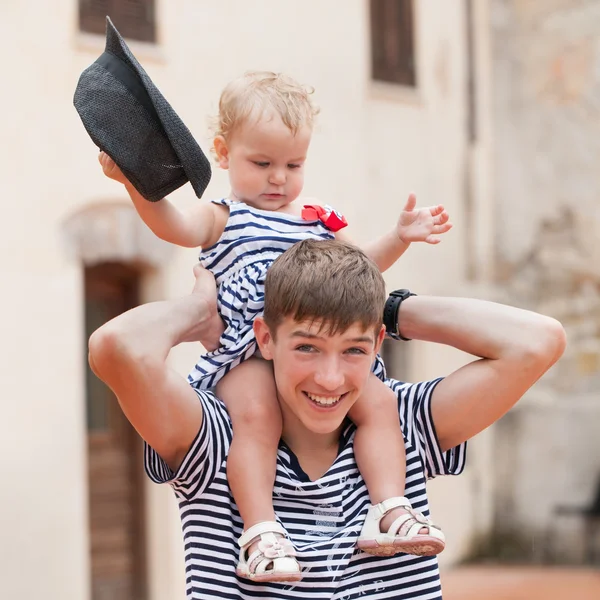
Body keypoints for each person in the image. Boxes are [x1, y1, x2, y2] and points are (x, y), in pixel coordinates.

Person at [97, 70, 452, 579]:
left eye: (293, 164)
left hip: (309, 347)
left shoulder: (317, 219)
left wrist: (400, 236)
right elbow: (171, 225)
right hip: (244, 350)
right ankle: (261, 533)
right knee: (258, 420)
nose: (278, 178)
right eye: (261, 163)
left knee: (379, 404)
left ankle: (390, 509)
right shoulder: (224, 216)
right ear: (223, 153)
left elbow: (364, 270)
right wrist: (132, 182)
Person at [88, 238, 566, 599]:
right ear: (266, 338)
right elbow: (116, 348)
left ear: (379, 344)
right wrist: (201, 310)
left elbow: (538, 342)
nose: (331, 378)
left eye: (354, 349)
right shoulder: (216, 437)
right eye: (307, 347)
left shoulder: (405, 424)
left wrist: (391, 309)